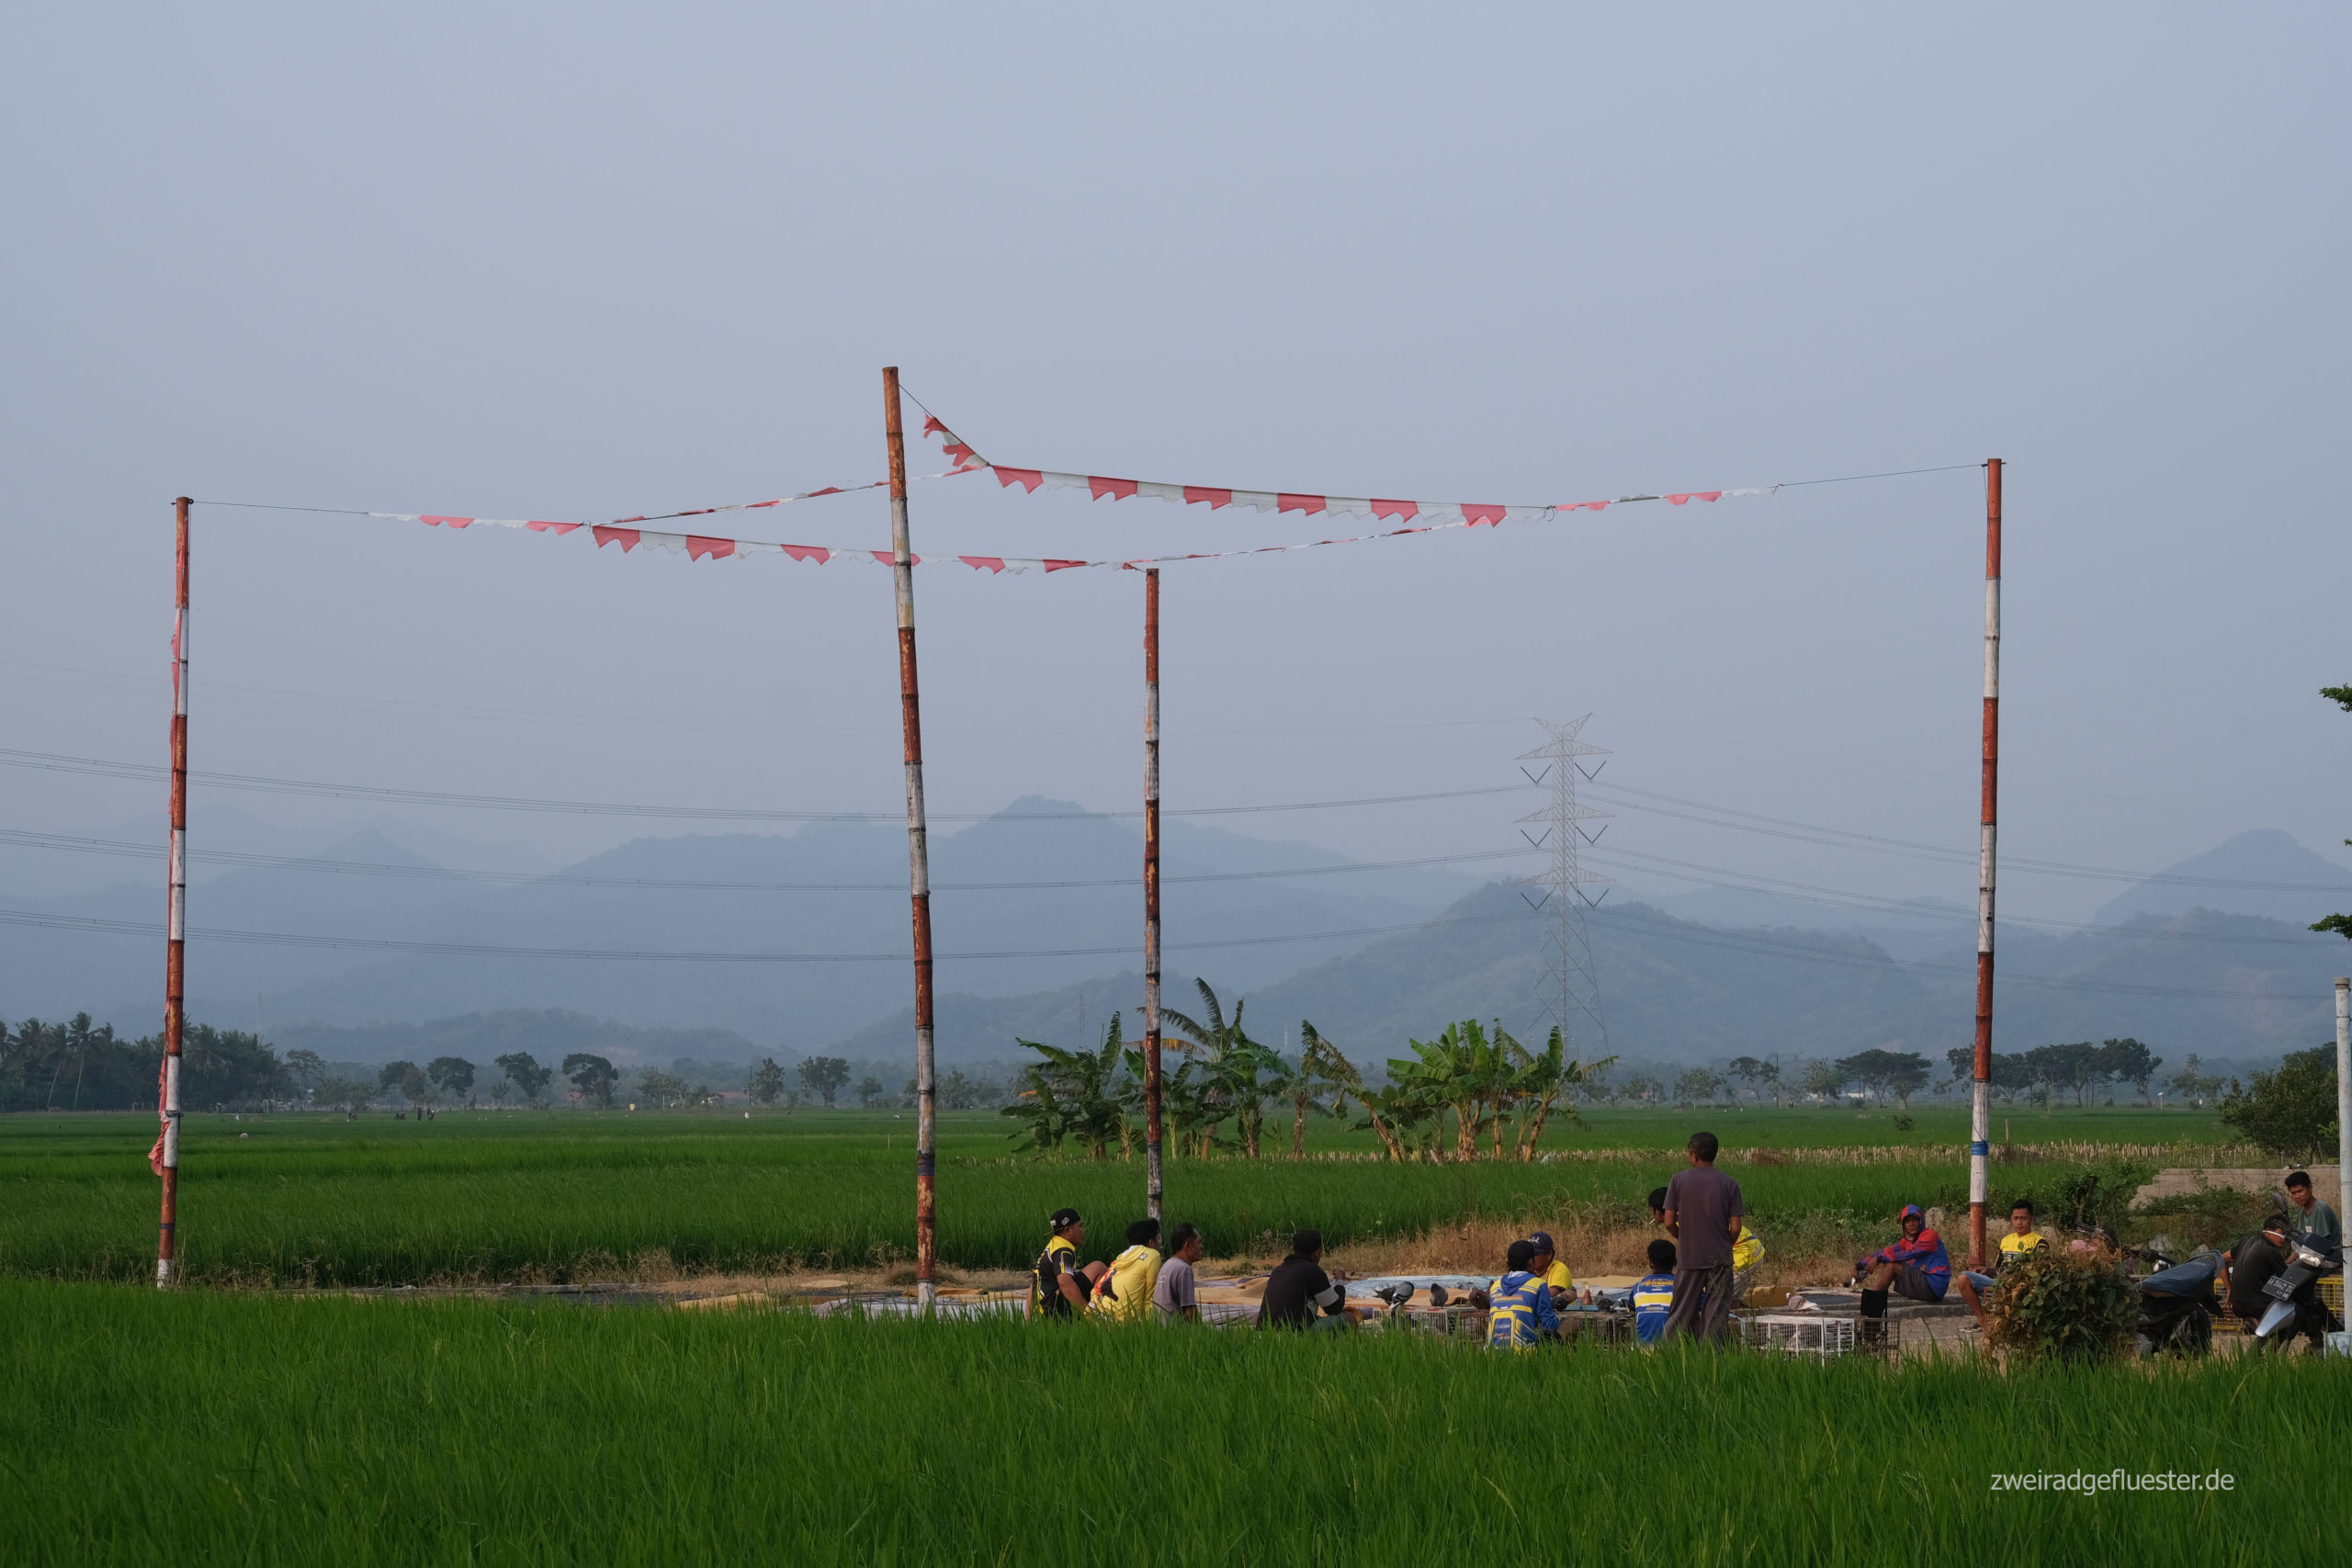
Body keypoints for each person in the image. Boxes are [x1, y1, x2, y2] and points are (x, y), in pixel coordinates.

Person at [1662, 1131, 1745, 1343]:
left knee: (1681, 1312)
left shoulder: (1678, 1180)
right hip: (1720, 1258)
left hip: (1690, 1258)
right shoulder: (1729, 1183)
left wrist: (1685, 1238)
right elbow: (1735, 1228)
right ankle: (1711, 1361)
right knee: (1716, 1316)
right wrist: (1723, 1243)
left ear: (1694, 1154)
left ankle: (1668, 1356)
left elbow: (1669, 1221)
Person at [1853, 1203, 1950, 1341]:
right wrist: (1860, 1265)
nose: (1911, 1224)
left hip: (1933, 1285)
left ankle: (1869, 1323)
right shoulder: (1906, 1241)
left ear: (1921, 1221)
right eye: (1907, 1221)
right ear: (1903, 1224)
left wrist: (1880, 1259)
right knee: (1890, 1263)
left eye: (1915, 1220)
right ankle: (1871, 1324)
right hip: (1924, 1282)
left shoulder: (1929, 1236)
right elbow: (1886, 1251)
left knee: (1892, 1266)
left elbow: (1908, 1254)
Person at [1955, 1200, 2046, 1330]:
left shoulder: (2039, 1242)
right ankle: (1982, 1321)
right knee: (1963, 1278)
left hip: (2023, 1286)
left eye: (2023, 1218)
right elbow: (1998, 1268)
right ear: (2011, 1219)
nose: (2019, 1222)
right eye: (2016, 1218)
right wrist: (1987, 1270)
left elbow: (2040, 1271)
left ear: (2032, 1219)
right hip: (2000, 1283)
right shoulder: (2006, 1240)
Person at [1257, 1229, 1347, 1330]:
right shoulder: (1313, 1270)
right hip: (1296, 1331)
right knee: (1349, 1318)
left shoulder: (1278, 1270)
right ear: (1317, 1253)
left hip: (1265, 1331)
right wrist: (1340, 1281)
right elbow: (1334, 1308)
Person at [1030, 1208, 1104, 1320]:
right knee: (1098, 1267)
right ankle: (1097, 1314)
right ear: (1068, 1230)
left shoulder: (1052, 1247)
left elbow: (1032, 1286)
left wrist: (1028, 1319)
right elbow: (1065, 1283)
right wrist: (1090, 1316)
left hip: (1044, 1311)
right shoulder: (1063, 1251)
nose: (1083, 1230)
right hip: (1054, 1310)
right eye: (1080, 1226)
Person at [1487, 1238, 1561, 1350]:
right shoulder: (1538, 1284)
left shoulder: (1496, 1286)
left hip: (1492, 1355)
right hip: (1525, 1354)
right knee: (1571, 1325)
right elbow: (1548, 1325)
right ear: (1531, 1261)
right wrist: (1559, 1319)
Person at [1091, 1218, 1164, 1324]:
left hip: (1094, 1314)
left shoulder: (1120, 1259)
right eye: (1158, 1239)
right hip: (1117, 1323)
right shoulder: (1152, 1255)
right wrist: (1149, 1328)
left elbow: (1096, 1290)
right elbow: (1150, 1299)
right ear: (1151, 1242)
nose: (1160, 1245)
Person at [1154, 1223, 1205, 1325]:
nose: (1201, 1247)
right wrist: (1202, 1333)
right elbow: (1190, 1311)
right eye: (1199, 1242)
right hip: (1175, 1330)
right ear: (1188, 1246)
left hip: (1160, 1329)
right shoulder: (1184, 1269)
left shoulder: (1168, 1264)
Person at [1631, 1239, 1677, 1346]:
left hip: (1641, 1354)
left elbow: (1632, 1307)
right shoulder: (1683, 1287)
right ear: (1675, 1261)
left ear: (1650, 1263)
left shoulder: (1638, 1288)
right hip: (1673, 1354)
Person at [2283, 1170, 2342, 1250]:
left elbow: (2320, 1245)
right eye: (2293, 1193)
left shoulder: (2321, 1209)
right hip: (2312, 1255)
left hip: (2328, 1258)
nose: (2297, 1196)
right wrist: (2286, 1263)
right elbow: (2301, 1243)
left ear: (2310, 1188)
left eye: (2300, 1191)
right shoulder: (2303, 1212)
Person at [1525, 1230, 1573, 1304]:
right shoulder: (1528, 1271)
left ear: (1549, 1254)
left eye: (1534, 1254)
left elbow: (1552, 1294)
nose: (1530, 1258)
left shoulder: (1559, 1269)